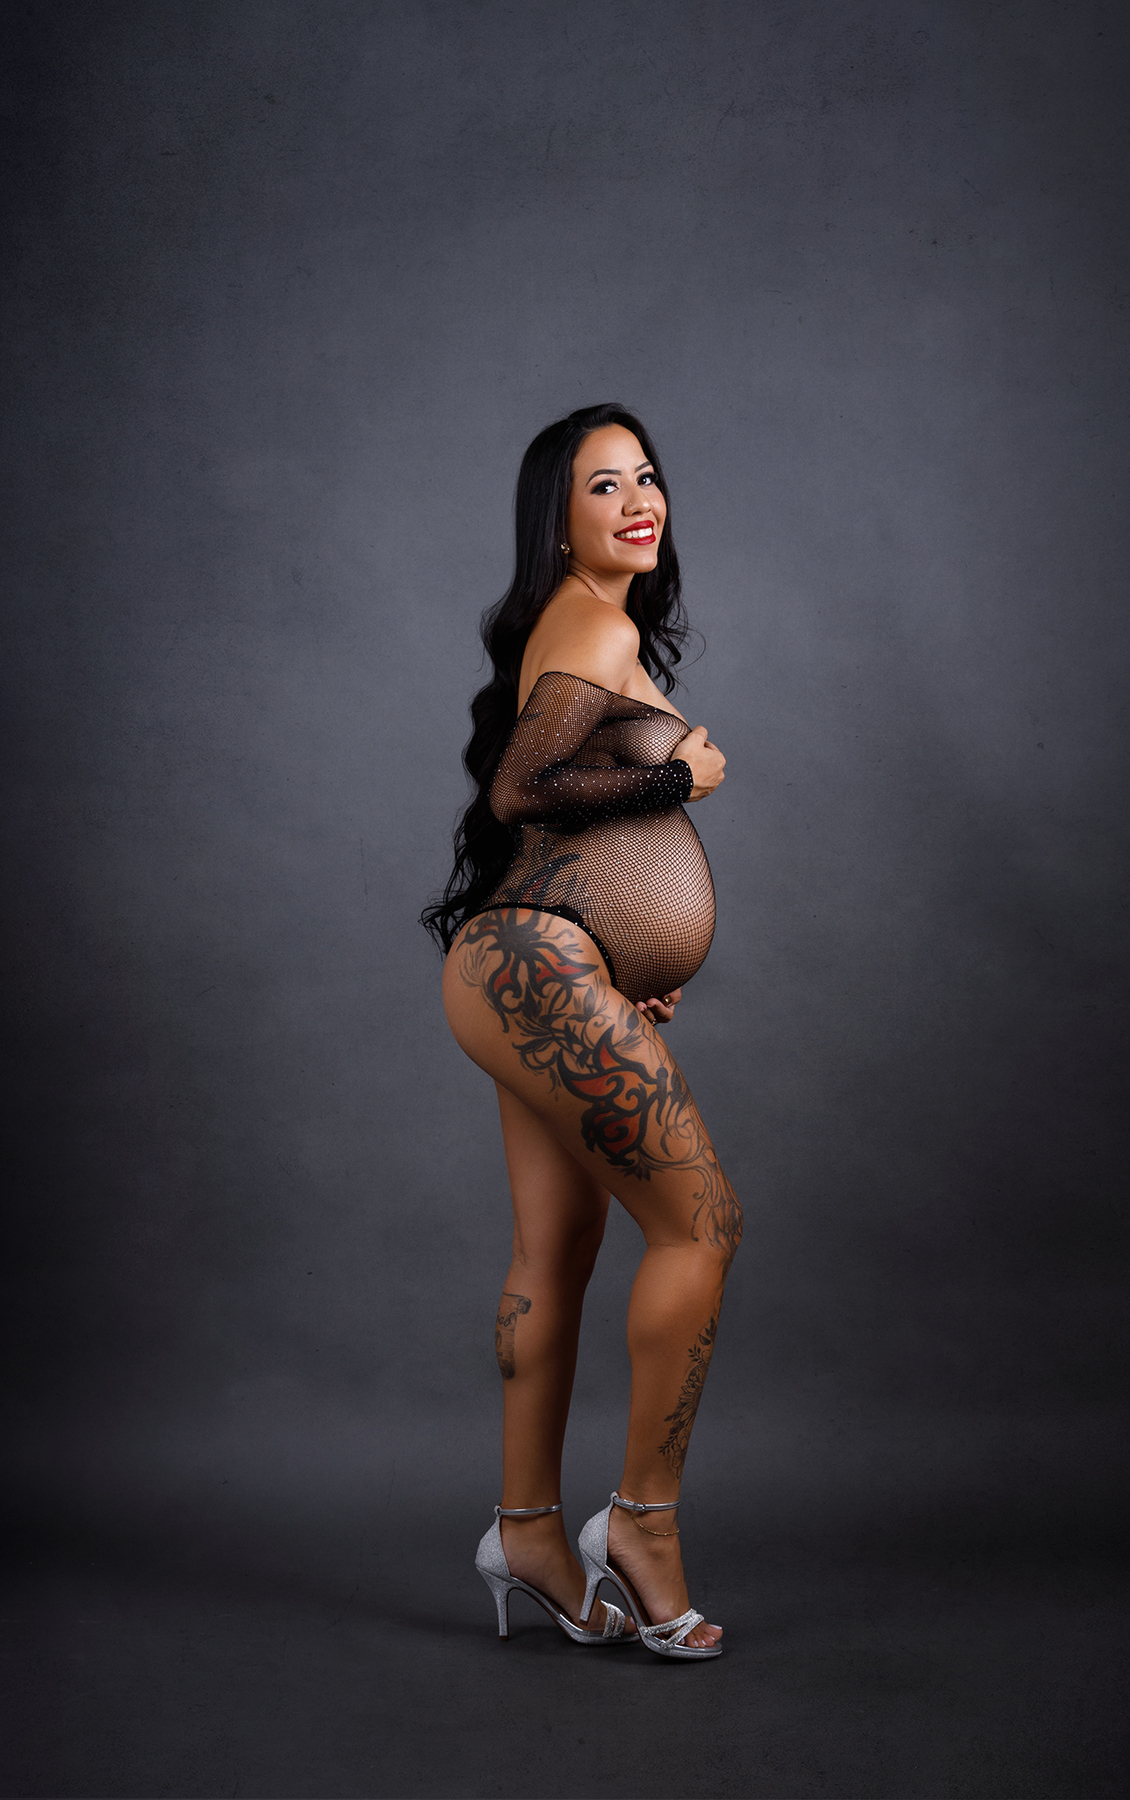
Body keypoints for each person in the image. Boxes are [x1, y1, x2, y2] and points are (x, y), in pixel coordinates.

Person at [423, 403, 741, 1660]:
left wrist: (616, 956)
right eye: (603, 486)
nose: (638, 500)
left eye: (646, 477)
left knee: (553, 1251)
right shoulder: (594, 622)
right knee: (701, 1224)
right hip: (534, 971)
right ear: (556, 522)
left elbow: (552, 831)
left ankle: (529, 1534)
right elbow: (523, 789)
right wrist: (677, 779)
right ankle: (643, 1527)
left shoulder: (586, 624)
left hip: (534, 966)